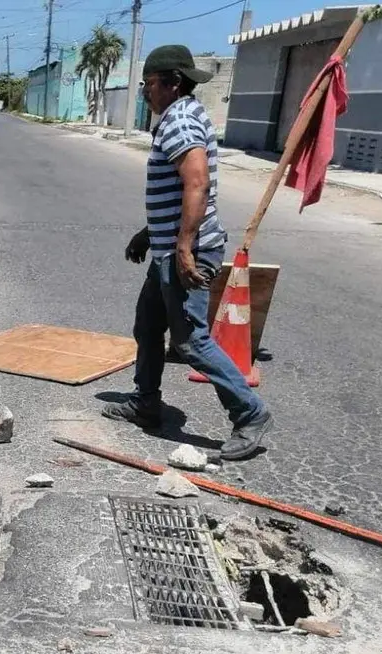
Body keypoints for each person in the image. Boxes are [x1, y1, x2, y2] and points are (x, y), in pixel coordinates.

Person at [105, 45, 272, 461]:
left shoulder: (178, 120)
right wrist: (150, 233)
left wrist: (183, 248)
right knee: (147, 327)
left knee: (191, 341)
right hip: (167, 249)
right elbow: (179, 190)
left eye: (149, 84)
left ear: (172, 82)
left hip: (187, 252)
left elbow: (196, 184)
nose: (145, 92)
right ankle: (146, 403)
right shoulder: (185, 114)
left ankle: (250, 414)